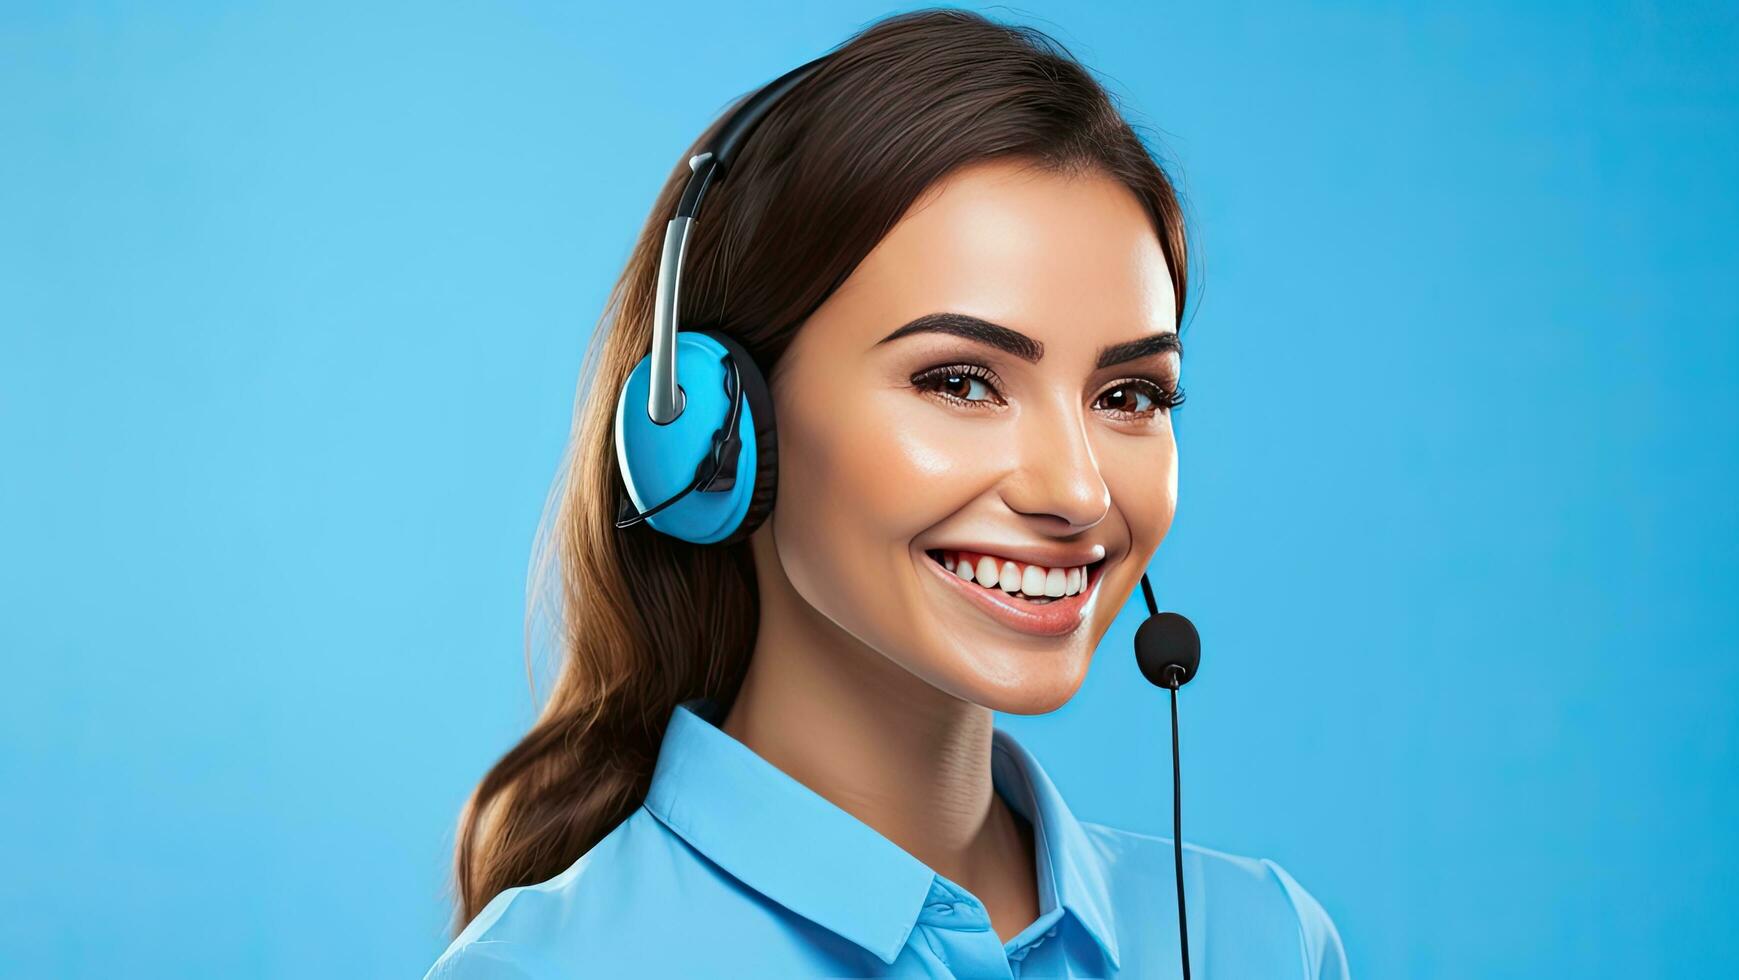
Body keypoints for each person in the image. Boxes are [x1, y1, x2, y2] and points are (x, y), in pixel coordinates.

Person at [426, 9, 1348, 978]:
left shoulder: (1260, 940)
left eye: (1129, 395)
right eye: (958, 381)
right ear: (716, 427)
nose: (1077, 490)